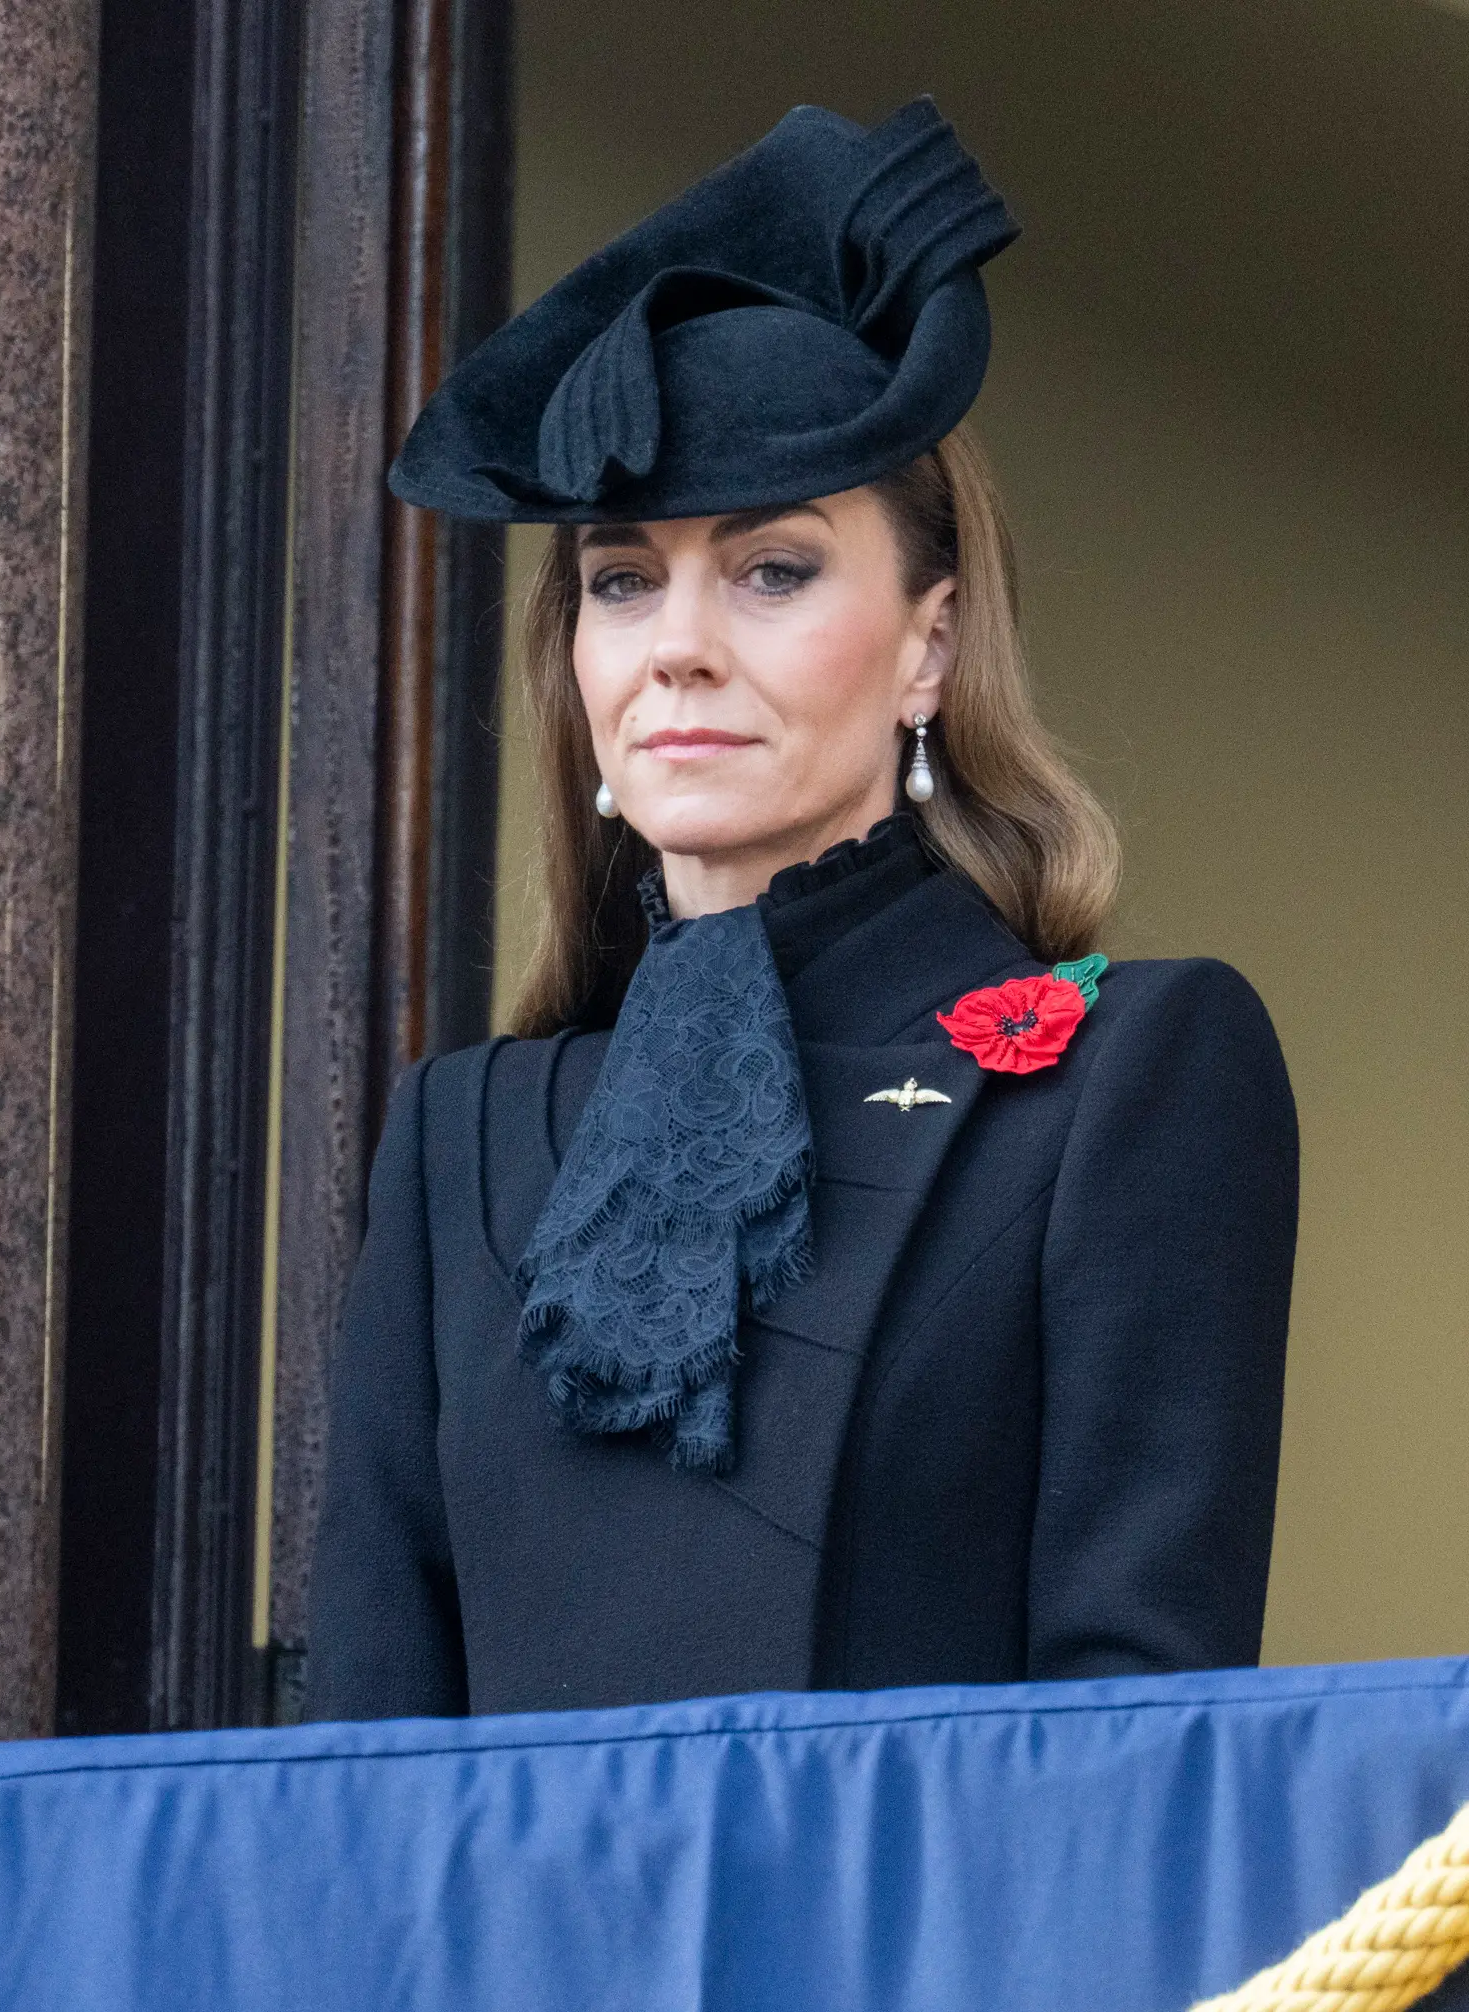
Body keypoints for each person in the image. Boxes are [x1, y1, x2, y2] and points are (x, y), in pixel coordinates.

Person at [308, 101, 1299, 1719]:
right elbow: (369, 1743)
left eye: (773, 570)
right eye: (623, 579)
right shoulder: (456, 1133)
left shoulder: (1133, 1074)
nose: (678, 645)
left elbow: (1138, 1742)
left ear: (928, 643)